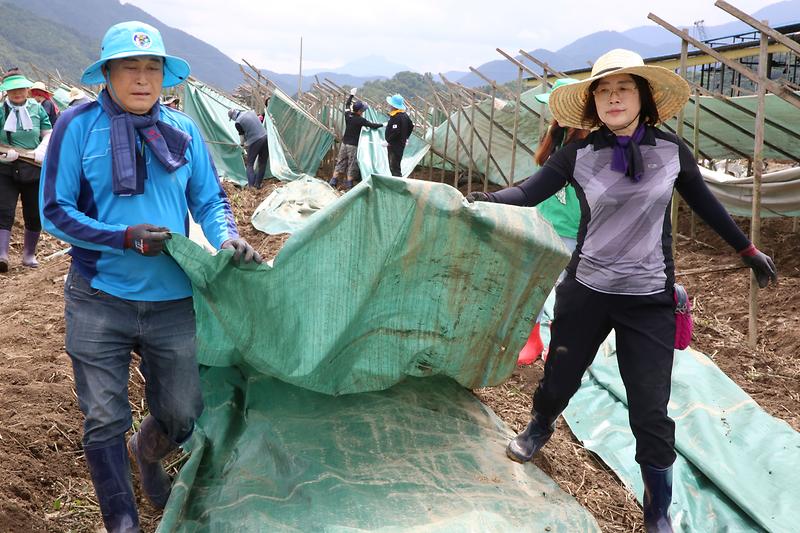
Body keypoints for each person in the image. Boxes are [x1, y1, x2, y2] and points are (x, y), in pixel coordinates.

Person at [466, 49, 777, 532]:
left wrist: (748, 250)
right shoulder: (578, 154)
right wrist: (482, 201)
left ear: (643, 98)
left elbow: (708, 205)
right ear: (593, 102)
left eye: (624, 89)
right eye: (604, 91)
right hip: (587, 290)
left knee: (650, 410)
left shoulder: (672, 152)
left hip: (650, 299)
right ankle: (539, 425)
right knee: (560, 378)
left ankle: (656, 513)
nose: (613, 97)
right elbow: (528, 192)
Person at [39, 21, 261, 533]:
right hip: (98, 296)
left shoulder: (182, 132)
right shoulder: (76, 126)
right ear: (108, 73)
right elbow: (54, 211)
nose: (142, 79)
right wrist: (122, 236)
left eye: (152, 68)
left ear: (164, 76)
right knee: (103, 417)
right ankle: (123, 522)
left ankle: (148, 450)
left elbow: (209, 200)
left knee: (184, 414)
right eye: (130, 68)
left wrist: (226, 235)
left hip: (172, 299)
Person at [518, 78, 587, 364]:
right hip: (544, 224)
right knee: (534, 282)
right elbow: (537, 184)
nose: (554, 113)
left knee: (564, 290)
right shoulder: (556, 138)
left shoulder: (589, 146)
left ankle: (557, 343)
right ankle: (531, 338)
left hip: (572, 230)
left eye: (559, 106)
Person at [0, 69, 52, 271]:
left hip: (33, 166)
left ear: (27, 89)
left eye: (20, 89)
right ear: (6, 92)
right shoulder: (1, 110)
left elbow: (48, 132)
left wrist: (42, 149)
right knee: (4, 209)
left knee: (33, 212)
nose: (17, 93)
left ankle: (29, 255)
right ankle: (2, 255)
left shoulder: (37, 109)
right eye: (12, 90)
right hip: (5, 167)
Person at [329, 87, 383, 191]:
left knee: (340, 162)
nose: (363, 111)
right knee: (351, 164)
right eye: (362, 110)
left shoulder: (348, 115)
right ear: (359, 111)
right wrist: (382, 124)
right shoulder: (360, 120)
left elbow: (347, 105)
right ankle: (349, 185)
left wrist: (351, 95)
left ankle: (333, 181)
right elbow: (372, 125)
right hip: (353, 145)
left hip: (344, 144)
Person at [227, 107, 268, 189]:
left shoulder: (238, 122)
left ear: (233, 116)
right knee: (262, 163)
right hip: (265, 137)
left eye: (232, 118)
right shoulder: (251, 112)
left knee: (249, 164)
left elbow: (241, 136)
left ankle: (251, 187)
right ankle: (258, 185)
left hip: (255, 141)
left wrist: (242, 144)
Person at [384, 93, 413, 177]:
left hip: (395, 145)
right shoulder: (405, 116)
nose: (390, 106)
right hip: (400, 144)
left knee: (394, 166)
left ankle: (397, 184)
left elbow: (396, 131)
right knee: (395, 165)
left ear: (394, 106)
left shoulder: (397, 117)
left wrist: (388, 141)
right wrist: (406, 137)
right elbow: (411, 126)